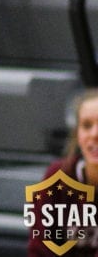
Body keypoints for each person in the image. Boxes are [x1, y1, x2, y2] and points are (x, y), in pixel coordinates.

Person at [27, 89, 98, 256]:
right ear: (77, 135)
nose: (94, 134)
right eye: (87, 126)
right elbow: (39, 250)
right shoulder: (58, 179)